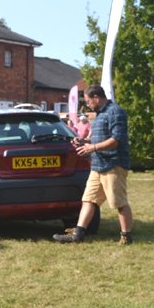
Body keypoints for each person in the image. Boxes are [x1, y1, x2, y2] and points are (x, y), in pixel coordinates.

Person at [54, 84, 133, 245]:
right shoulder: (99, 114)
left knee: (119, 202)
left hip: (113, 165)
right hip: (97, 165)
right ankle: (78, 234)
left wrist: (93, 147)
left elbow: (116, 140)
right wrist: (84, 140)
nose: (87, 105)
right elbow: (98, 138)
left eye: (88, 101)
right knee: (89, 200)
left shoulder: (115, 112)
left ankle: (126, 237)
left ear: (96, 97)